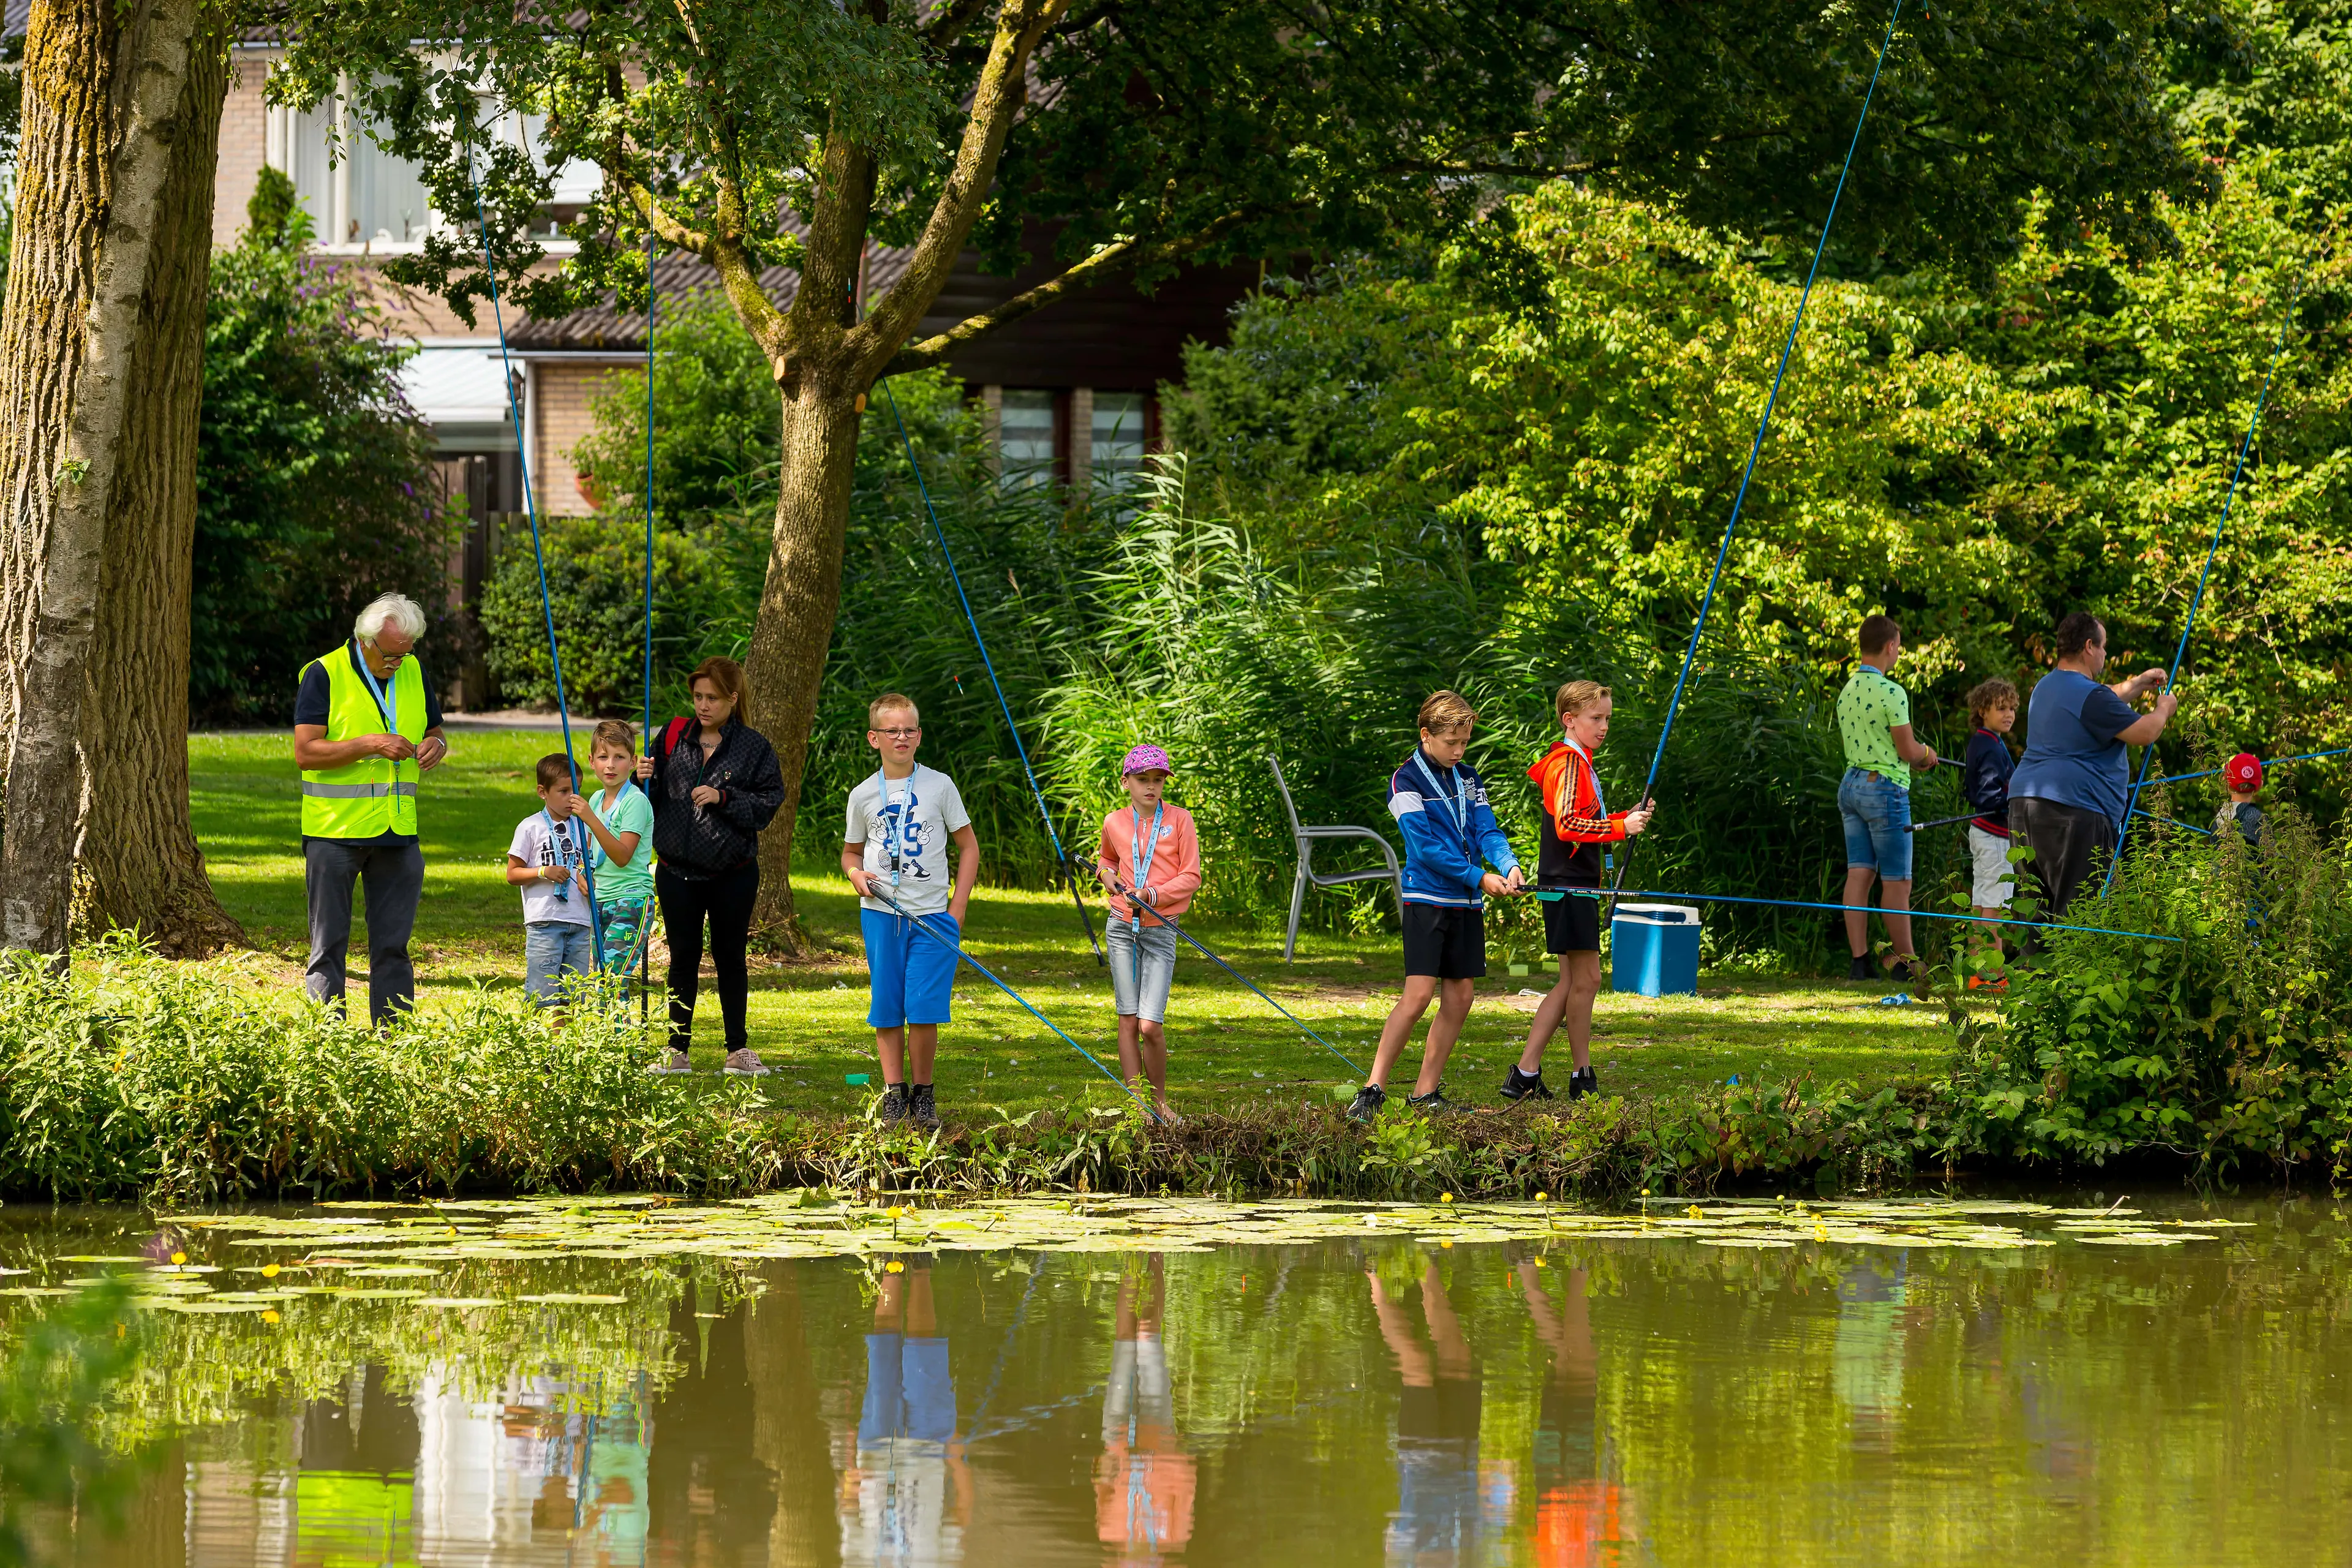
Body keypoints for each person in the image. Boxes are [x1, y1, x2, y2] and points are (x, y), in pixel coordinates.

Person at [1349, 691, 1523, 1123]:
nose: (1460, 751)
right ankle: (1372, 1090)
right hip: (1427, 899)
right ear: (1427, 735)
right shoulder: (1404, 780)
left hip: (1466, 903)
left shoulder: (1467, 776)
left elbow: (1488, 830)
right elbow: (1424, 849)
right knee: (1419, 995)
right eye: (1452, 743)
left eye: (1465, 742)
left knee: (1461, 996)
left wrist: (1508, 864)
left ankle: (1425, 1092)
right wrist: (1478, 877)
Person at [293, 592, 450, 1024]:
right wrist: (371, 745)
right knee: (328, 949)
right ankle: (328, 1045)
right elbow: (306, 752)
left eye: (406, 653)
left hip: (397, 834)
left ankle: (394, 1040)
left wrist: (437, 744)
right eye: (390, 655)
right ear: (365, 640)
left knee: (394, 949)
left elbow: (434, 727)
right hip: (334, 833)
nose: (398, 663)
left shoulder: (413, 669)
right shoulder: (324, 673)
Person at [633, 657, 785, 1076]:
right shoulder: (674, 735)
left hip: (732, 872)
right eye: (698, 696)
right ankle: (676, 1051)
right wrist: (641, 776)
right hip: (675, 870)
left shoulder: (753, 747)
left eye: (713, 698)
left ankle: (737, 1051)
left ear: (732, 700)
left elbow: (770, 803)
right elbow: (650, 797)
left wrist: (724, 799)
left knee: (730, 956)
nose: (703, 705)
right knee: (682, 956)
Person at [1507, 680, 1654, 1104]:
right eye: (1596, 718)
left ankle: (1525, 1074)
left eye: (1607, 718)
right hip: (1567, 886)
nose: (1604, 726)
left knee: (1571, 981)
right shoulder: (1568, 764)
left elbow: (1582, 818)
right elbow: (1568, 826)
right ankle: (1581, 1075)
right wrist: (1618, 828)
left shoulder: (1580, 761)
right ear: (1570, 720)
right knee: (1588, 978)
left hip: (1572, 886)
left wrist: (1627, 817)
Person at [842, 692, 979, 1129]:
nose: (901, 737)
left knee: (923, 1008)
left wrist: (957, 909)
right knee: (887, 1006)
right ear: (874, 738)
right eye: (891, 730)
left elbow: (969, 847)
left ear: (919, 736)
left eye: (909, 730)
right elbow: (850, 853)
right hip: (882, 916)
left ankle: (924, 1094)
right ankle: (893, 1092)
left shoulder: (940, 785)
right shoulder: (863, 794)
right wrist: (855, 875)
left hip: (933, 917)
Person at [2008, 611, 2176, 925]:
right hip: (2075, 813)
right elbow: (2145, 732)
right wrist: (2163, 709)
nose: (2105, 654)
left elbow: (2098, 697)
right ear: (2089, 647)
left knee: (2035, 915)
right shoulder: (2091, 697)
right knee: (2079, 918)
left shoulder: (2046, 687)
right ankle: (2074, 976)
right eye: (2103, 647)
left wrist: (2137, 684)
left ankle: (2029, 973)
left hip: (2023, 809)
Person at [1093, 744, 1202, 1126]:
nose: (1151, 788)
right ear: (1126, 783)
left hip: (1160, 930)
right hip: (1122, 927)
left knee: (1149, 1025)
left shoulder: (1180, 820)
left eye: (1158, 781)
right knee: (1127, 1018)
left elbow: (1192, 876)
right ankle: (1137, 1104)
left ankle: (1160, 1101)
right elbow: (1107, 859)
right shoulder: (1114, 822)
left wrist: (1152, 896)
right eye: (1143, 780)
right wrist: (1104, 875)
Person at [1835, 614, 1938, 983]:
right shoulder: (1893, 692)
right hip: (1884, 789)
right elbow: (1908, 750)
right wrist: (1928, 754)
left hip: (1851, 785)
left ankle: (1860, 962)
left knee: (1859, 874)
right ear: (1891, 646)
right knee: (1897, 882)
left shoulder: (1847, 690)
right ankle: (1906, 965)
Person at [1096, 1255, 1196, 1556]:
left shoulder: (1108, 1530)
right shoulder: (1176, 1535)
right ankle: (1151, 1253)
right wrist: (1159, 1457)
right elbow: (1189, 1473)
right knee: (1147, 1331)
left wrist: (1113, 1463)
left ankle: (1137, 1255)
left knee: (1127, 1337)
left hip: (1117, 1433)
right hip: (1159, 1429)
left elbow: (1100, 1478)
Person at [505, 754, 597, 1008]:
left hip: (579, 921)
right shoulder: (530, 827)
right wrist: (543, 872)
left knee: (574, 994)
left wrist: (587, 881)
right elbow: (513, 874)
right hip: (545, 921)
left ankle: (563, 1044)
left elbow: (583, 864)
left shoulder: (583, 827)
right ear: (542, 792)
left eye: (576, 790)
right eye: (564, 791)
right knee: (542, 993)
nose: (572, 798)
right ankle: (537, 1042)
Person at [570, 720, 657, 975]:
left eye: (619, 757)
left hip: (631, 900)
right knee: (603, 978)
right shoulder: (596, 799)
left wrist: (590, 818)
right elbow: (587, 850)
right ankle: (608, 1018)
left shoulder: (635, 802)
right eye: (603, 756)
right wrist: (581, 872)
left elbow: (622, 856)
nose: (610, 764)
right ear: (591, 761)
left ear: (632, 763)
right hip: (601, 898)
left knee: (611, 982)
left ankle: (614, 1018)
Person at [1962, 677, 2020, 989]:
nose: (2009, 713)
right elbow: (1987, 795)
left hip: (1983, 834)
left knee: (1983, 899)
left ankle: (1976, 972)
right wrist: (2013, 799)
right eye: (2001, 708)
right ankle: (1993, 975)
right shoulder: (1988, 745)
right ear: (1983, 710)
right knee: (1995, 903)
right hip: (1995, 835)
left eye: (2012, 708)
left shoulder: (1986, 741)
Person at [2215, 752, 2265, 850]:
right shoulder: (2256, 817)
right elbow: (2271, 856)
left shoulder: (2221, 814)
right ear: (2260, 785)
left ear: (2225, 782)